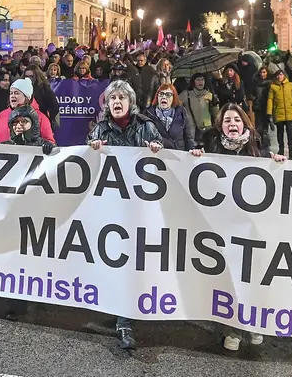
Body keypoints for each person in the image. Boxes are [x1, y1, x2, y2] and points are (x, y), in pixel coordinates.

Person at [198, 102, 285, 352]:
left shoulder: (259, 146)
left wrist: (277, 163)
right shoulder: (211, 146)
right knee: (230, 278)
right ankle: (233, 328)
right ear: (220, 125)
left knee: (253, 276)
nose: (232, 125)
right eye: (227, 121)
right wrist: (195, 158)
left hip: (253, 227)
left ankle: (254, 323)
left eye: (236, 120)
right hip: (223, 226)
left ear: (244, 123)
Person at [87, 80, 162, 350]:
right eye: (112, 98)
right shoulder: (100, 128)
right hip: (110, 207)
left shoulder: (146, 127)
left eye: (121, 97)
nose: (116, 102)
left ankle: (125, 320)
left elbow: (164, 162)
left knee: (131, 260)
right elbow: (87, 166)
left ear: (130, 101)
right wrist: (91, 151)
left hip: (139, 208)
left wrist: (156, 151)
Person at [0, 78, 56, 144]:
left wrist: (47, 145)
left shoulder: (40, 117)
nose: (12, 96)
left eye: (16, 93)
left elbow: (50, 142)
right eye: (11, 93)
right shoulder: (2, 114)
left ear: (26, 97)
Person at [145, 83, 195, 150]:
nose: (164, 97)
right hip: (158, 155)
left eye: (168, 95)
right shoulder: (148, 114)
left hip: (178, 155)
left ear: (174, 97)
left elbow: (188, 138)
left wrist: (192, 152)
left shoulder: (181, 112)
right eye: (161, 94)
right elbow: (145, 138)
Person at [267, 69, 292, 157]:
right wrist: (269, 112)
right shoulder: (273, 87)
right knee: (280, 132)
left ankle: (291, 150)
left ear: (284, 75)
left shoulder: (290, 85)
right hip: (278, 113)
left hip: (290, 113)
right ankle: (281, 149)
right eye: (278, 75)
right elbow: (270, 100)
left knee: (290, 132)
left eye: (281, 75)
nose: (279, 77)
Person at [180, 73, 217, 142]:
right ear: (193, 82)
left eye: (202, 80)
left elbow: (215, 113)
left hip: (207, 127)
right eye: (198, 80)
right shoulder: (186, 94)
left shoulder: (209, 94)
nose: (201, 82)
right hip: (191, 127)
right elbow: (176, 104)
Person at [252, 66, 272, 145]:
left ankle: (265, 143)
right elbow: (252, 93)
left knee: (265, 127)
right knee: (258, 126)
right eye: (261, 72)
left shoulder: (270, 84)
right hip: (258, 106)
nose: (262, 74)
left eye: (264, 72)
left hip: (266, 107)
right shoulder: (255, 82)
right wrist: (254, 98)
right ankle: (259, 142)